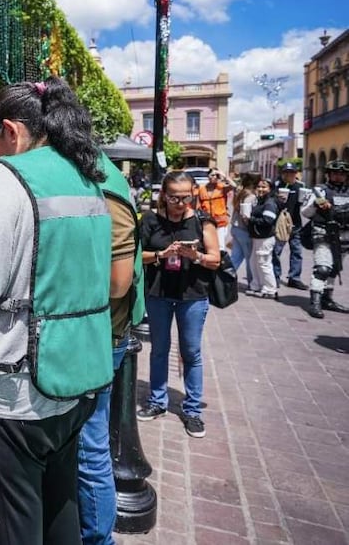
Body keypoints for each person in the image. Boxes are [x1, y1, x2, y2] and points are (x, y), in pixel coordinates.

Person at [0, 78, 112, 544]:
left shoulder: (7, 175)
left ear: (11, 132)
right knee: (60, 520)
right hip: (72, 381)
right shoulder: (85, 174)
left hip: (12, 394)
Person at [77, 152, 145, 545]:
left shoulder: (104, 184)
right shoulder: (100, 177)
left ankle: (99, 539)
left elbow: (118, 282)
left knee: (89, 447)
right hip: (100, 330)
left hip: (102, 333)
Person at [137, 171, 220, 438]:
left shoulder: (202, 221)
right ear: (164, 194)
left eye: (186, 197)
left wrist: (195, 256)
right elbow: (138, 255)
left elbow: (215, 260)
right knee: (159, 350)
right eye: (174, 197)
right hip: (158, 294)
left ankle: (193, 410)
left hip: (192, 296)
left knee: (191, 352)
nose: (180, 203)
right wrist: (161, 254)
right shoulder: (150, 220)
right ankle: (157, 401)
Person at [301, 160, 349, 318]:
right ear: (329, 174)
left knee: (334, 268)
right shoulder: (319, 191)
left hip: (344, 236)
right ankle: (315, 302)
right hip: (323, 233)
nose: (338, 176)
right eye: (335, 173)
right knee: (323, 268)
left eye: (342, 174)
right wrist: (316, 204)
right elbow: (305, 212)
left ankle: (327, 299)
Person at [273, 162, 308, 290]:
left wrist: (306, 200)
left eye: (291, 172)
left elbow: (305, 205)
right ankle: (275, 277)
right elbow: (270, 202)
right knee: (276, 252)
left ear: (295, 174)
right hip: (280, 224)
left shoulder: (301, 186)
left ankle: (294, 278)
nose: (288, 175)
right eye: (286, 172)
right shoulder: (276, 186)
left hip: (296, 224)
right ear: (282, 174)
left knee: (297, 252)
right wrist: (277, 198)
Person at [246, 178, 279, 299]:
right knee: (254, 262)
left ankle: (270, 289)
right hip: (257, 237)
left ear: (270, 189)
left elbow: (268, 220)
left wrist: (250, 219)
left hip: (265, 238)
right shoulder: (260, 201)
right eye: (259, 186)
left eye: (264, 187)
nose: (260, 189)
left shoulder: (269, 203)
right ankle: (257, 286)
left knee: (264, 263)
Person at [228, 172, 259, 288]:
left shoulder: (240, 191)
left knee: (235, 257)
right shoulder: (251, 196)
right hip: (244, 230)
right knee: (249, 258)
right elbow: (245, 215)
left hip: (235, 228)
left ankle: (226, 279)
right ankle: (252, 283)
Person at [197, 168, 234, 244]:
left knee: (220, 245)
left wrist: (223, 176)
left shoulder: (222, 188)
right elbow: (198, 205)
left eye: (216, 175)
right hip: (207, 221)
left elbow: (234, 186)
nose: (214, 177)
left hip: (220, 222)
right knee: (208, 244)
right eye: (212, 175)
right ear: (208, 176)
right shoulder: (201, 189)